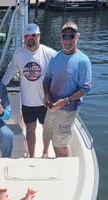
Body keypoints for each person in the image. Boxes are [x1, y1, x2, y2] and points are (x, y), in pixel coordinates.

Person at [2, 23, 56, 158]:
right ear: (24, 38)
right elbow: (10, 71)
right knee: (30, 129)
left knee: (46, 129)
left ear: (39, 36)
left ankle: (45, 152)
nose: (30, 38)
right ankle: (32, 156)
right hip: (27, 101)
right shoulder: (19, 53)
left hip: (45, 100)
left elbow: (59, 73)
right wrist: (0, 87)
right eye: (27, 36)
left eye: (33, 35)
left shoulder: (50, 53)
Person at [42, 21, 92, 157]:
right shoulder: (55, 58)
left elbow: (85, 88)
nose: (68, 40)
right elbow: (46, 80)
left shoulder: (83, 61)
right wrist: (46, 95)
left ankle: (63, 171)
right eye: (65, 36)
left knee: (60, 144)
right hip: (51, 105)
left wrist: (66, 100)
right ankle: (45, 153)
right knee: (47, 132)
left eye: (71, 36)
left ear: (77, 38)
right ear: (61, 38)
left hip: (68, 109)